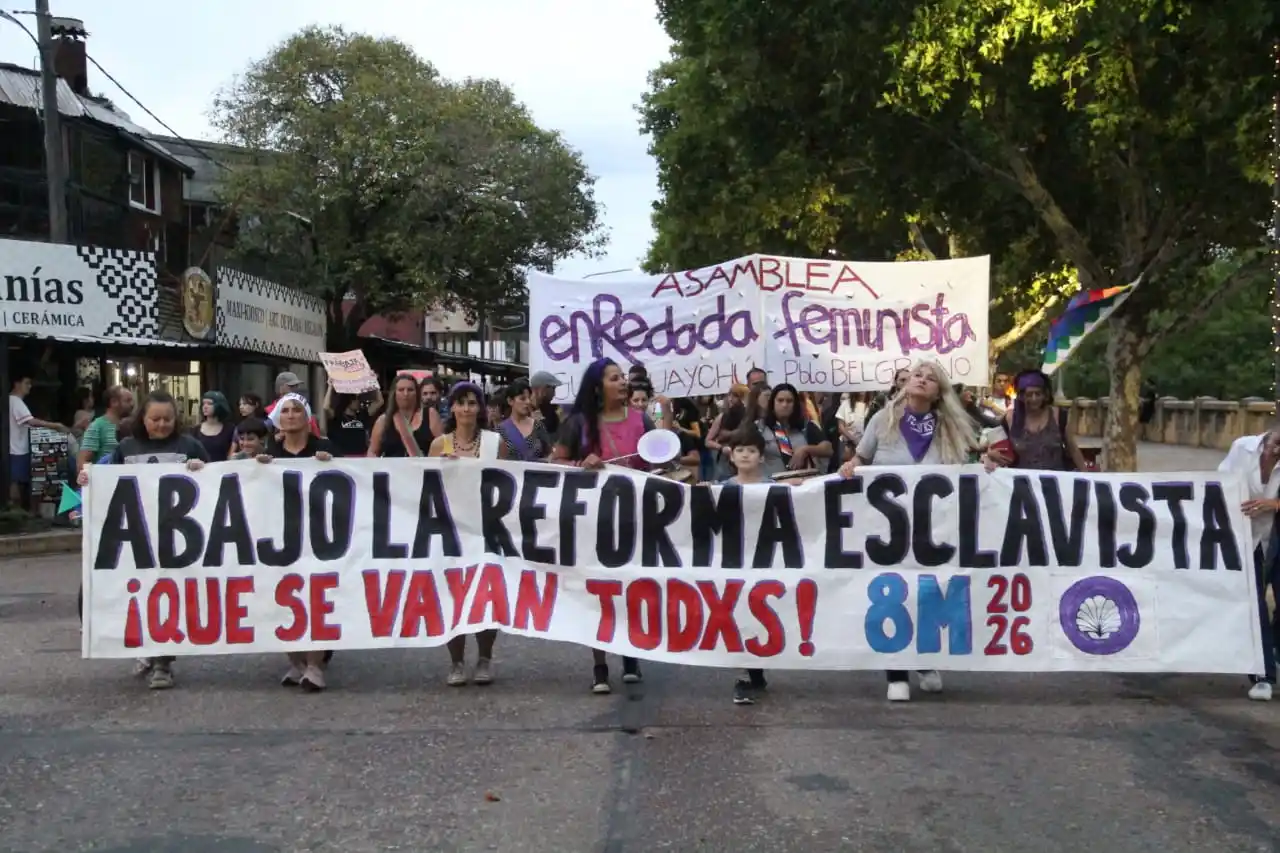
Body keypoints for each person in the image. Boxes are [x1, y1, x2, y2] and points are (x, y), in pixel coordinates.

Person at [840, 359, 975, 702]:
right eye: (917, 374)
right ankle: (896, 671)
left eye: (931, 379)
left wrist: (987, 465)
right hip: (888, 529)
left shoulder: (950, 427)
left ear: (939, 392)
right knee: (893, 594)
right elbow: (861, 460)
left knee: (929, 595)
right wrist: (850, 467)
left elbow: (967, 468)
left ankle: (925, 661)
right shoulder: (882, 420)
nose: (922, 380)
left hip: (934, 529)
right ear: (905, 382)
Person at [552, 357, 672, 693]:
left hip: (635, 518)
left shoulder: (641, 420)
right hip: (594, 520)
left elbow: (659, 462)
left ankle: (630, 654)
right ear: (597, 387)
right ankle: (600, 664)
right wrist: (580, 463)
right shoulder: (578, 424)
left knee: (632, 586)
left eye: (623, 378)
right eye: (615, 378)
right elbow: (555, 463)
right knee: (599, 592)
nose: (623, 383)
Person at [77, 390, 209, 690]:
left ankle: (163, 661)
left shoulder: (189, 445)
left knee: (168, 594)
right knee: (140, 594)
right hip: (135, 535)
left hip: (176, 539)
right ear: (143, 419)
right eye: (155, 419)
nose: (162, 424)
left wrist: (201, 471)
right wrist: (88, 478)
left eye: (168, 419)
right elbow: (105, 476)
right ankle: (145, 650)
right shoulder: (126, 447)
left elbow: (216, 479)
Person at [253, 393, 338, 691]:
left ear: (307, 417)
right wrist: (257, 469)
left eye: (296, 410)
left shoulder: (323, 448)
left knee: (315, 597)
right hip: (281, 536)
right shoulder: (270, 451)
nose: (290, 415)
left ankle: (315, 665)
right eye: (285, 410)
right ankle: (296, 662)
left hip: (317, 535)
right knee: (283, 598)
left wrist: (330, 465)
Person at [428, 383, 504, 685]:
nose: (467, 409)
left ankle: (484, 658)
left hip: (487, 528)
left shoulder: (495, 443)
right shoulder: (439, 445)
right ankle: (456, 661)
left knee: (487, 595)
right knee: (453, 595)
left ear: (480, 408)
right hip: (451, 529)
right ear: (453, 408)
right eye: (461, 403)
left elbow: (509, 482)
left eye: (473, 403)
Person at [1217, 424, 1280, 701]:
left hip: (1274, 533)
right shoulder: (1242, 448)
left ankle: (1273, 649)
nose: (1275, 451)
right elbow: (1218, 484)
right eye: (1275, 443)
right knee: (1254, 604)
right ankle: (1264, 675)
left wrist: (1274, 505)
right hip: (1244, 536)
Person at [718, 426, 774, 705]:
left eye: (751, 450)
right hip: (735, 561)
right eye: (740, 450)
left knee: (760, 614)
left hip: (765, 561)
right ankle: (745, 674)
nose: (745, 455)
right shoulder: (725, 488)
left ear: (761, 457)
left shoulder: (773, 487)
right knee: (739, 615)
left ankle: (756, 670)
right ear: (731, 455)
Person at [989, 370, 1087, 472]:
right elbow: (992, 445)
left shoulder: (1059, 416)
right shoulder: (1010, 419)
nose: (1034, 399)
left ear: (1045, 395)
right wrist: (991, 455)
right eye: (1029, 395)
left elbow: (1073, 450)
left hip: (1055, 481)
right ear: (1021, 396)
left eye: (1038, 394)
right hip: (1023, 482)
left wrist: (1087, 476)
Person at [9, 373, 68, 506]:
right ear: (17, 384)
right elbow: (31, 421)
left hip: (16, 447)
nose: (29, 387)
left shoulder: (12, 401)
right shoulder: (15, 401)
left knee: (18, 482)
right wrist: (55, 425)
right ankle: (14, 510)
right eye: (26, 383)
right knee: (15, 482)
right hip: (17, 449)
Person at [756, 383, 832, 479]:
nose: (784, 405)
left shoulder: (805, 426)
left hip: (802, 485)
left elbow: (828, 448)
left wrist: (805, 449)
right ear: (772, 403)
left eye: (789, 401)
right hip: (772, 485)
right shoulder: (760, 427)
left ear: (795, 404)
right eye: (780, 400)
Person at [368, 374, 433, 458]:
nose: (406, 394)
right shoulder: (383, 420)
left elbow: (443, 444)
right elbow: (372, 451)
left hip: (422, 469)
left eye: (410, 390)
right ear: (394, 393)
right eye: (401, 390)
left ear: (417, 393)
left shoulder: (430, 415)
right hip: (392, 470)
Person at [77, 385, 134, 470]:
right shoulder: (97, 426)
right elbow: (82, 463)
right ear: (114, 402)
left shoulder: (134, 425)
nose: (132, 404)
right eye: (128, 401)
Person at [497, 379, 553, 462]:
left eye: (529, 398)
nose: (527, 402)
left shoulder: (538, 426)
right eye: (522, 399)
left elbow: (550, 454)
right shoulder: (501, 430)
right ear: (510, 401)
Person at [323, 385, 384, 458]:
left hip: (361, 456)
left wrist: (375, 384)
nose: (358, 401)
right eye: (356, 399)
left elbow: (380, 402)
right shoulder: (337, 416)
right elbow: (326, 407)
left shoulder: (363, 415)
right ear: (348, 400)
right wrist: (330, 387)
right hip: (341, 457)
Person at [265, 372, 321, 436]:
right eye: (292, 386)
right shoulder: (267, 412)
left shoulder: (304, 408)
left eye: (297, 386)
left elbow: (316, 435)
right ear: (281, 388)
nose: (296, 389)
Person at [192, 391, 236, 461]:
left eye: (209, 404)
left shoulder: (230, 429)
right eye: (204, 404)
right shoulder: (195, 430)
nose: (205, 407)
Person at [529, 370, 563, 435]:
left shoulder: (552, 409)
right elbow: (541, 431)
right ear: (543, 388)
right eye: (553, 388)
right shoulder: (526, 409)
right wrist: (535, 409)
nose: (554, 393)